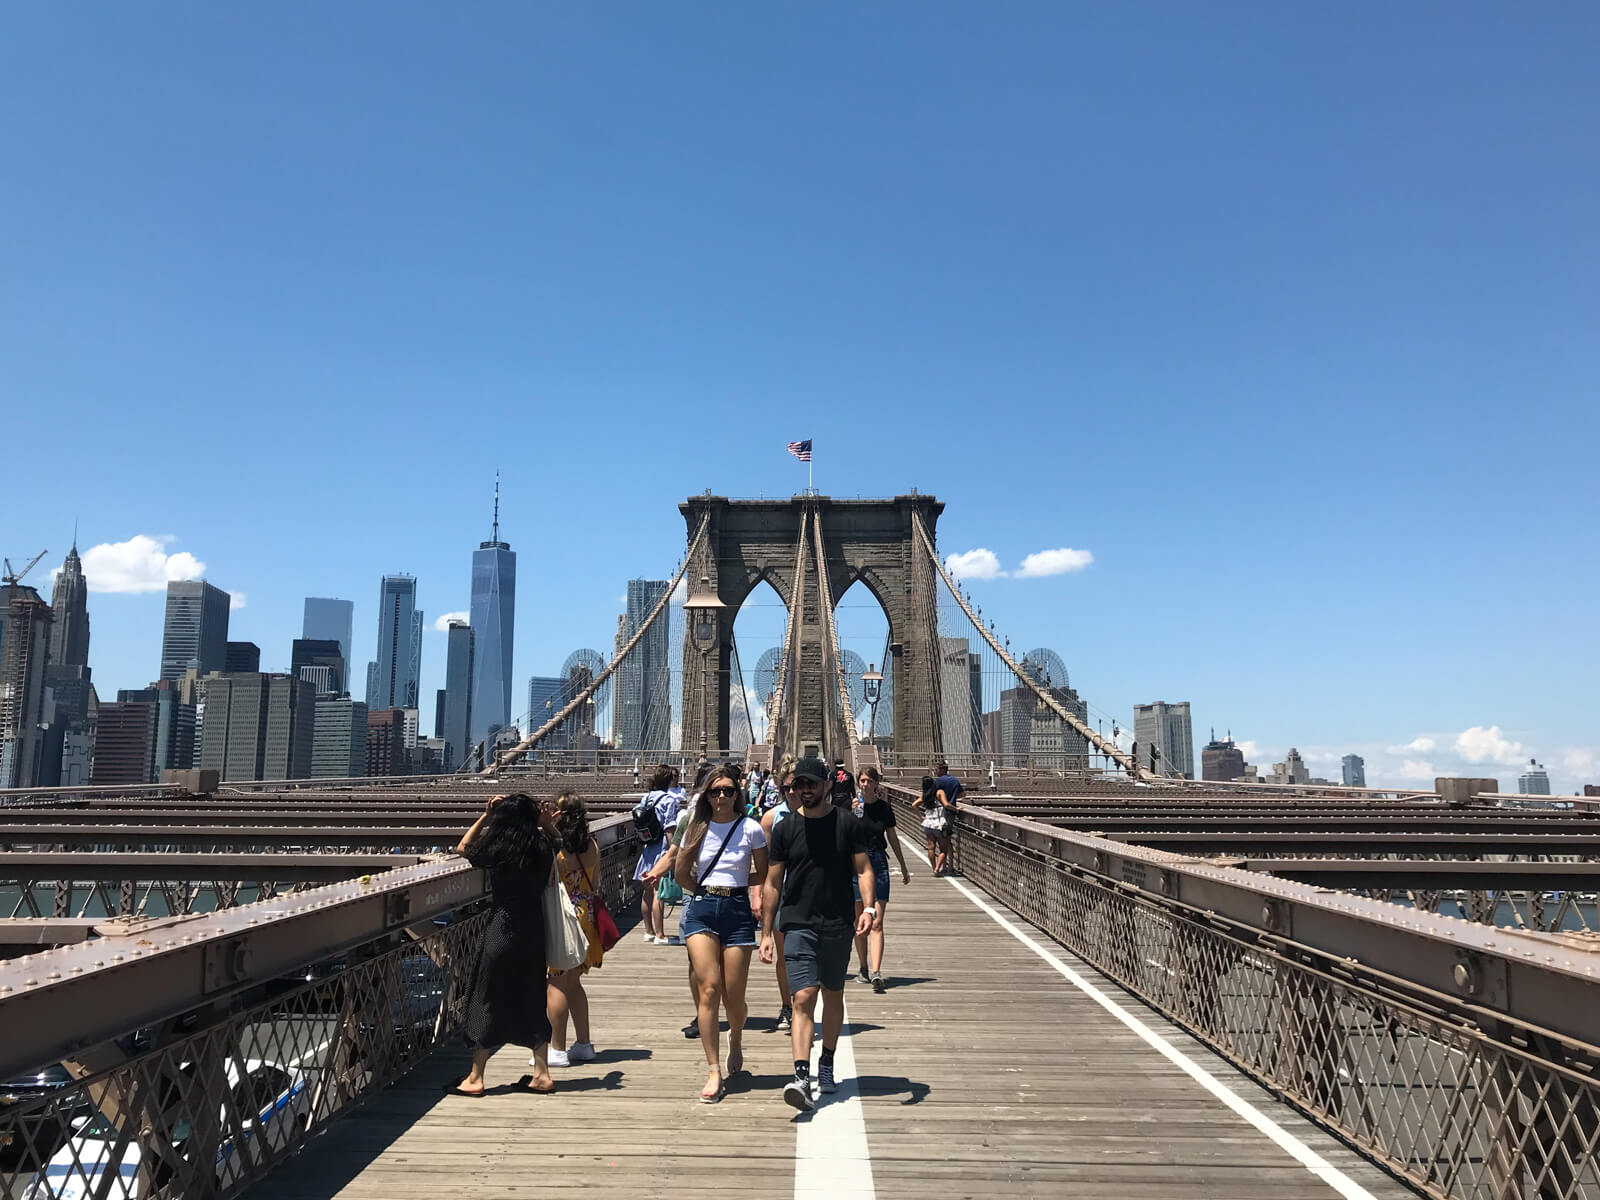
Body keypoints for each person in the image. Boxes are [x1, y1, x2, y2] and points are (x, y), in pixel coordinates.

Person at [759, 757, 874, 1113]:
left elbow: (864, 867)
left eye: (811, 783)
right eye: (798, 785)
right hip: (797, 922)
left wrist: (868, 908)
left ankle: (827, 1060)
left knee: (833, 996)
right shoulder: (785, 828)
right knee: (803, 998)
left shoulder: (847, 823)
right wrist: (766, 930)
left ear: (826, 784)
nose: (804, 790)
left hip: (838, 921)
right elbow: (773, 881)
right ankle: (800, 1076)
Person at [448, 793, 557, 1096]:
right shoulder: (542, 847)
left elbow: (464, 847)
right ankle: (542, 1075)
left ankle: (475, 1078)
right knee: (533, 996)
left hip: (502, 927)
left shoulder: (498, 849)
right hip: (534, 931)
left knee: (487, 996)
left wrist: (486, 816)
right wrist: (546, 825)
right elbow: (559, 843)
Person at [674, 764, 769, 1102]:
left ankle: (737, 1036)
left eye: (729, 790)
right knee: (709, 989)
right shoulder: (695, 829)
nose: (723, 796)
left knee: (734, 998)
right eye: (716, 791)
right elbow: (681, 871)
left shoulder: (751, 829)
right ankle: (714, 1069)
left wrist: (739, 886)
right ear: (707, 796)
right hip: (702, 910)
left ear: (737, 794)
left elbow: (764, 871)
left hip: (738, 911)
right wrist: (703, 891)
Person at [545, 792, 603, 1069]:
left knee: (556, 983)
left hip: (562, 919)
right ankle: (583, 1044)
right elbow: (597, 881)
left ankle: (556, 1049)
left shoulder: (555, 850)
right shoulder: (591, 845)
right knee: (574, 983)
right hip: (586, 918)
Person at [851, 766, 912, 991]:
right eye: (862, 781)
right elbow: (844, 836)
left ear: (877, 784)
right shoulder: (853, 808)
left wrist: (903, 866)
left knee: (876, 921)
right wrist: (850, 813)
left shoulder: (885, 808)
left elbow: (893, 837)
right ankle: (863, 967)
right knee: (859, 921)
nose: (865, 784)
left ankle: (876, 972)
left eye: (869, 781)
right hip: (856, 864)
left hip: (878, 863)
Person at [760, 755, 800, 1032]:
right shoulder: (771, 819)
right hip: (783, 894)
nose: (795, 792)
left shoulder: (825, 815)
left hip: (814, 895)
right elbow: (766, 868)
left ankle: (803, 1005)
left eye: (800, 785)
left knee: (809, 956)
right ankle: (788, 1006)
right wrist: (760, 899)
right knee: (785, 956)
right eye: (788, 787)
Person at [632, 764, 683, 944]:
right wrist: (673, 852)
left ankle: (649, 931)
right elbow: (670, 828)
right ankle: (660, 935)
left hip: (648, 849)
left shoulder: (646, 798)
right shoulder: (669, 801)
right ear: (669, 780)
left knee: (646, 892)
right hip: (661, 849)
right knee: (658, 892)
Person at [920, 774, 958, 876]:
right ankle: (937, 869)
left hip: (928, 823)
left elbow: (914, 805)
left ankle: (933, 868)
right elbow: (946, 804)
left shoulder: (924, 795)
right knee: (943, 849)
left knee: (931, 847)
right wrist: (956, 809)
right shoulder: (939, 792)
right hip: (939, 823)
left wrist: (921, 816)